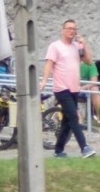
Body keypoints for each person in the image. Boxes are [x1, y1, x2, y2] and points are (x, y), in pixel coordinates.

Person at [40, 18, 97, 159]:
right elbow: (49, 64)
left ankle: (58, 150)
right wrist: (44, 80)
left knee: (67, 120)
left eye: (74, 29)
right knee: (74, 117)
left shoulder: (77, 47)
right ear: (63, 30)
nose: (72, 31)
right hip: (61, 88)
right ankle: (84, 147)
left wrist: (84, 44)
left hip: (74, 89)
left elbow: (89, 61)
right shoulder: (55, 46)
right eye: (69, 28)